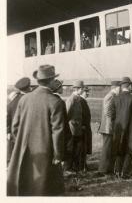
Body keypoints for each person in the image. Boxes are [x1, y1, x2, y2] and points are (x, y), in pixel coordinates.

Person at [7, 65, 67, 196]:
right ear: (51, 81)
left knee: (26, 181)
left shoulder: (24, 98)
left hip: (24, 148)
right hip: (46, 150)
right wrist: (58, 155)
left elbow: (15, 126)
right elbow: (58, 131)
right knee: (46, 187)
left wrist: (21, 142)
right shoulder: (55, 101)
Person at [112, 77, 132, 179]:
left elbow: (112, 115)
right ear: (129, 86)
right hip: (130, 128)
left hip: (118, 128)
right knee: (129, 150)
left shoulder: (115, 98)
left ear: (121, 86)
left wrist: (114, 127)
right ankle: (125, 173)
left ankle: (117, 171)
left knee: (119, 149)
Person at [98, 81, 121, 175]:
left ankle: (108, 169)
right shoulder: (111, 96)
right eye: (120, 87)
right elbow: (108, 112)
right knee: (107, 149)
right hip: (108, 127)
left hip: (109, 127)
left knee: (110, 149)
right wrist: (116, 119)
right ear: (116, 87)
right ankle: (103, 169)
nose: (120, 90)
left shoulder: (111, 95)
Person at [7, 77, 31, 163]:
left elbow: (8, 116)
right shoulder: (29, 100)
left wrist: (8, 131)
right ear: (29, 87)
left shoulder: (13, 101)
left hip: (15, 133)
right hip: (27, 133)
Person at [65, 80, 84, 171]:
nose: (83, 90)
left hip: (77, 129)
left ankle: (75, 168)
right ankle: (68, 168)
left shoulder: (78, 99)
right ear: (78, 89)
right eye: (82, 89)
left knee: (77, 150)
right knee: (71, 149)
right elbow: (66, 115)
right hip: (72, 129)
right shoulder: (71, 100)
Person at [79, 86, 92, 172]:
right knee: (82, 148)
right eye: (85, 92)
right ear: (81, 92)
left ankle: (83, 165)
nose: (87, 93)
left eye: (87, 91)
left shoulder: (83, 101)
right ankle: (82, 166)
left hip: (85, 128)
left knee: (84, 147)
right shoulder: (80, 101)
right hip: (83, 128)